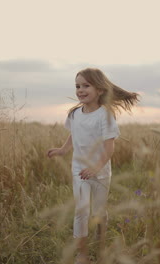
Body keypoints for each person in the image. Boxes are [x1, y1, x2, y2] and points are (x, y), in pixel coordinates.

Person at [47, 68, 139, 263]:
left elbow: (109, 148)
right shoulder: (74, 114)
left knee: (98, 212)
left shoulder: (105, 116)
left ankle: (101, 242)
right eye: (77, 86)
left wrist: (96, 168)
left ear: (99, 89)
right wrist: (63, 150)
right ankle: (82, 255)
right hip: (79, 171)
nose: (80, 90)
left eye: (85, 85)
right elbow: (74, 133)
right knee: (81, 210)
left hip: (101, 172)